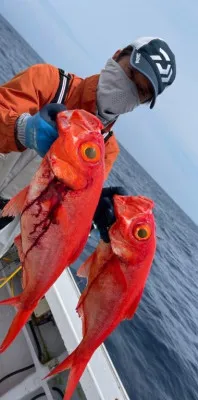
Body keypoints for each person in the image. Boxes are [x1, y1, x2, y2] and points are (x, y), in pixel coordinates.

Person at [0, 36, 176, 242]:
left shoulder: (107, 150)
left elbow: (60, 214)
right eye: (130, 73)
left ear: (143, 102)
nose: (128, 89)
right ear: (116, 56)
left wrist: (91, 212)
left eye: (140, 90)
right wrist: (21, 129)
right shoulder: (48, 82)